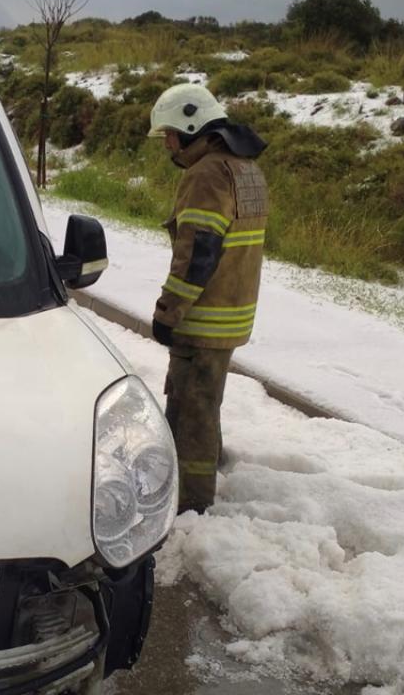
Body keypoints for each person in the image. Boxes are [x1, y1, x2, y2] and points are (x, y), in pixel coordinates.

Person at [147, 84, 269, 515]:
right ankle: (205, 469)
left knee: (192, 410)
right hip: (232, 313)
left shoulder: (205, 175)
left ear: (190, 125)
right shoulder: (244, 168)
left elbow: (197, 253)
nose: (167, 144)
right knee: (203, 398)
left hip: (204, 317)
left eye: (169, 135)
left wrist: (168, 311)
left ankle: (192, 504)